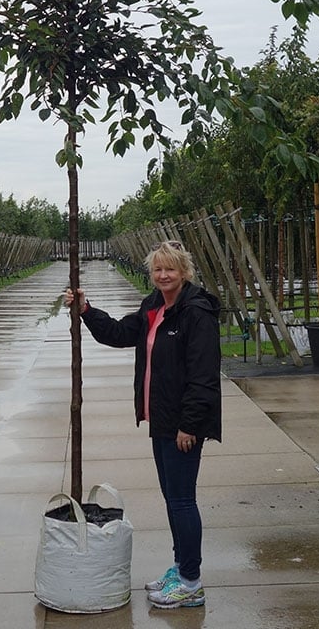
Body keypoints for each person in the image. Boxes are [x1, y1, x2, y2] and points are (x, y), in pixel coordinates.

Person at [65, 240, 222, 610]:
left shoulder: (196, 314)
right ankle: (181, 568)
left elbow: (204, 377)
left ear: (184, 272)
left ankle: (191, 582)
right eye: (157, 270)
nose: (163, 275)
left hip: (183, 425)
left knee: (183, 501)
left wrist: (190, 425)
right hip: (161, 419)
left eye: (170, 269)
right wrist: (86, 310)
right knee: (172, 499)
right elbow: (120, 334)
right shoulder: (154, 306)